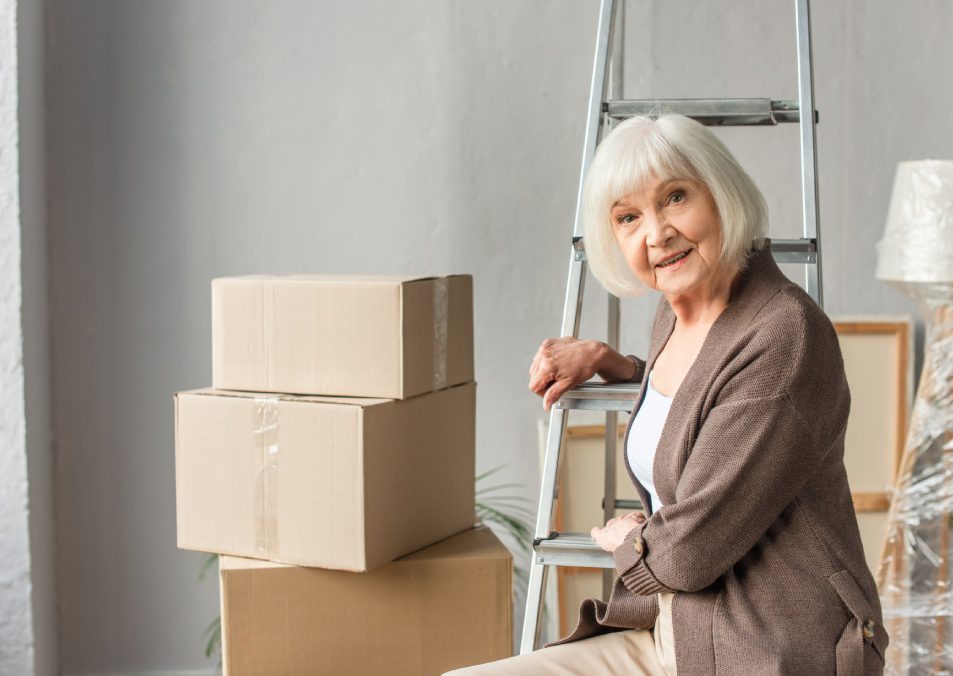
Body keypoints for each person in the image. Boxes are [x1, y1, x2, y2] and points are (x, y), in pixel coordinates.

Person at [445, 113, 888, 675]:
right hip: (673, 630)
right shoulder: (679, 312)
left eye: (675, 198)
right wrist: (620, 364)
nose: (656, 234)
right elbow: (708, 404)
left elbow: (685, 554)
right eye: (629, 218)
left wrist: (625, 538)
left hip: (766, 649)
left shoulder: (785, 334)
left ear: (721, 195)